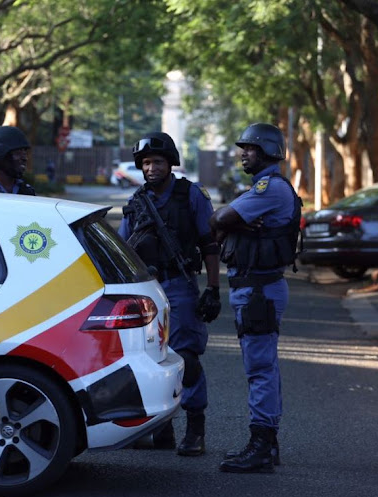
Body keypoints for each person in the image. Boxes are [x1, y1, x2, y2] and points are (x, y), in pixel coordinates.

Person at [118, 131, 221, 457]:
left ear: (170, 163)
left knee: (186, 357)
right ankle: (160, 430)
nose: (151, 168)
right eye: (146, 162)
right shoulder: (137, 202)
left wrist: (214, 289)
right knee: (147, 358)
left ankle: (195, 430)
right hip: (146, 289)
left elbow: (209, 244)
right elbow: (123, 250)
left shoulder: (190, 195)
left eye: (157, 162)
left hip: (180, 284)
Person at [209, 123, 302, 473]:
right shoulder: (263, 189)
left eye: (248, 148)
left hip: (259, 290)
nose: (242, 153)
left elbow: (216, 218)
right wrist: (233, 223)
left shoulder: (269, 188)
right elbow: (220, 224)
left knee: (260, 369)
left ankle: (261, 447)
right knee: (263, 367)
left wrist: (230, 221)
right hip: (256, 289)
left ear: (264, 151)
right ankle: (267, 444)